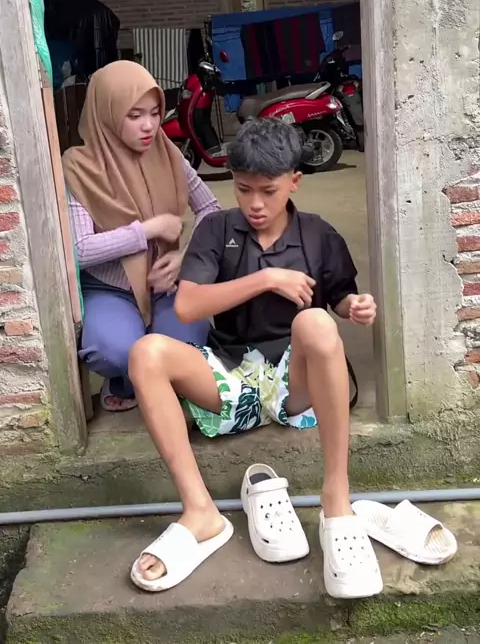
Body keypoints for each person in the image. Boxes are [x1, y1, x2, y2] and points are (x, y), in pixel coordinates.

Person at [128, 118, 382, 599]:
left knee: (315, 322)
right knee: (146, 352)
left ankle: (336, 499)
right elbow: (187, 305)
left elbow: (339, 295)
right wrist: (267, 279)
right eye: (244, 190)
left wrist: (355, 306)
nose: (256, 204)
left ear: (294, 181)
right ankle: (200, 511)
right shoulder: (216, 228)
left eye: (268, 190)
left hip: (294, 384)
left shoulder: (317, 234)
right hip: (231, 377)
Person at [63, 60, 219, 412]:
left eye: (154, 112)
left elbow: (211, 210)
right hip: (110, 289)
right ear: (107, 113)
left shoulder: (167, 152)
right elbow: (79, 249)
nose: (149, 125)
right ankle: (127, 379)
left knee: (187, 347)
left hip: (166, 285)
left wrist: (185, 257)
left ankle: (150, 376)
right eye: (134, 116)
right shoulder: (78, 167)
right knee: (114, 352)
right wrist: (148, 230)